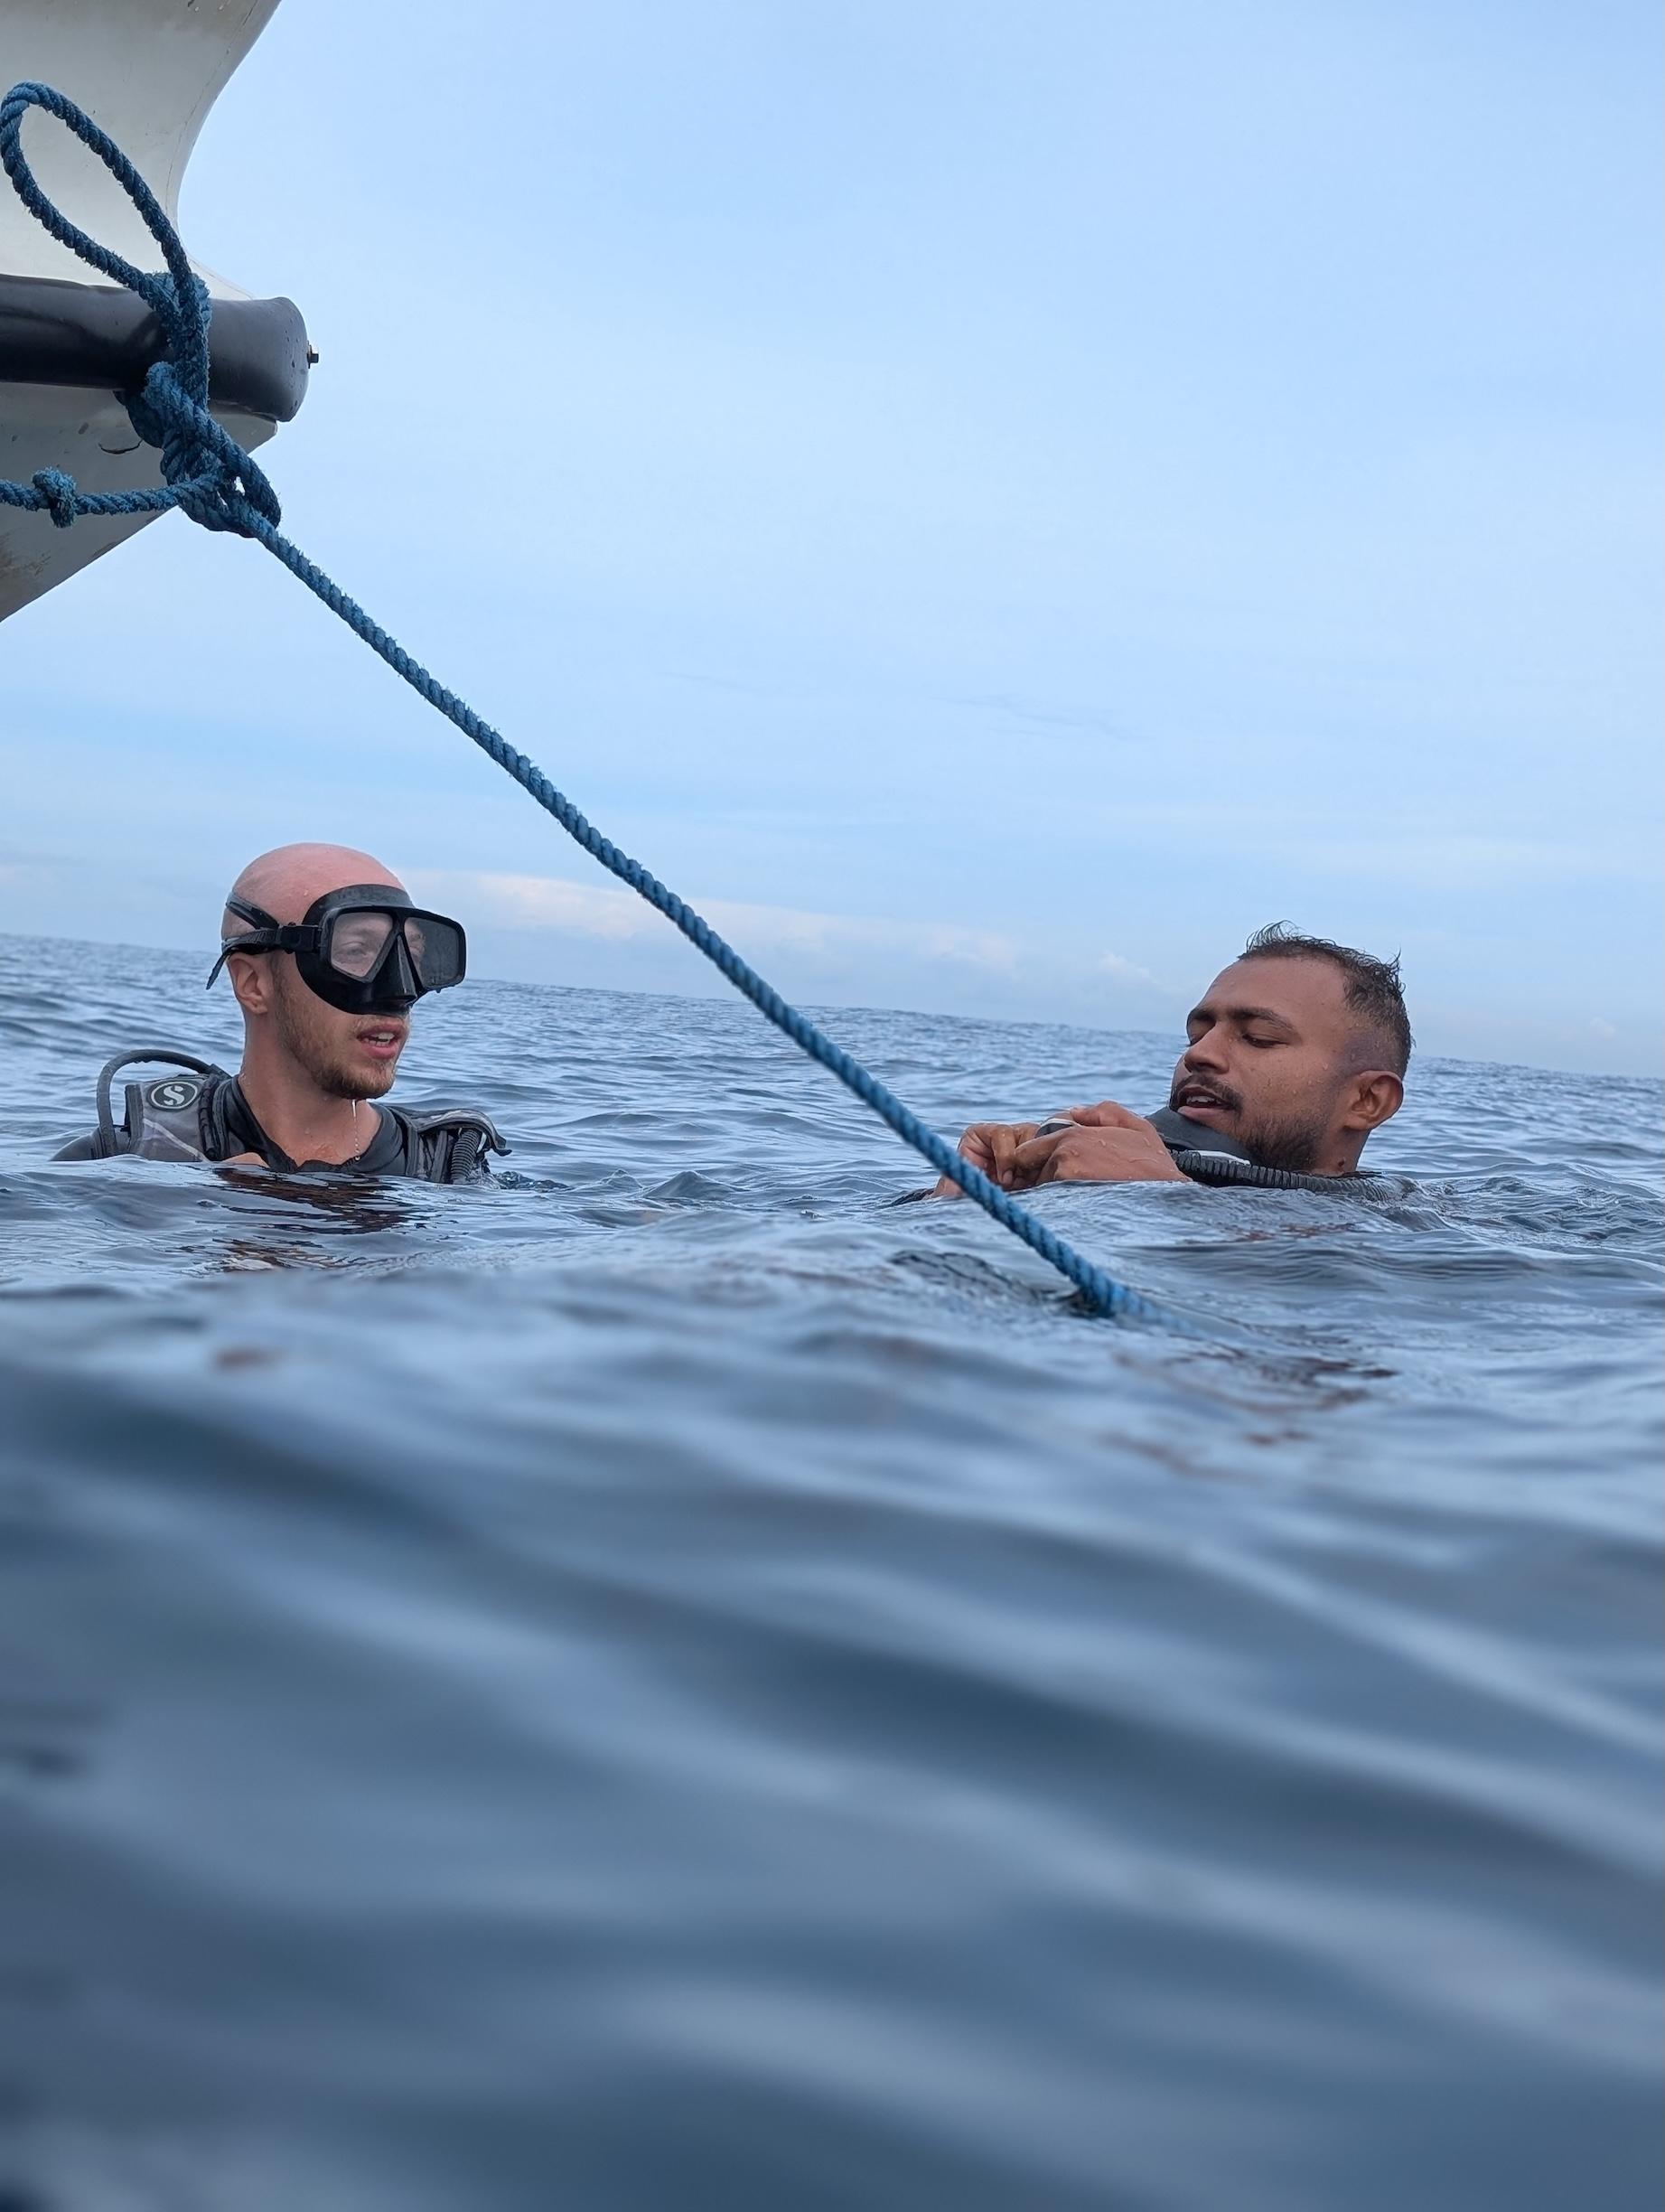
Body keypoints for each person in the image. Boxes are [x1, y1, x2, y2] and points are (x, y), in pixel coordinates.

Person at [54, 843, 507, 1180]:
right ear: (253, 984)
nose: (400, 990)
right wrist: (187, 1214)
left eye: (412, 956)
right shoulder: (130, 1163)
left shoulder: (451, 1168)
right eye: (356, 950)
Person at [934, 924, 1409, 1196]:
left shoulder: (1407, 1234)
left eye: (1259, 1039)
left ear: (1367, 1100)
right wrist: (961, 1203)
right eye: (1196, 1034)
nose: (1199, 1054)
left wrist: (1158, 1197)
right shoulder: (1147, 1166)